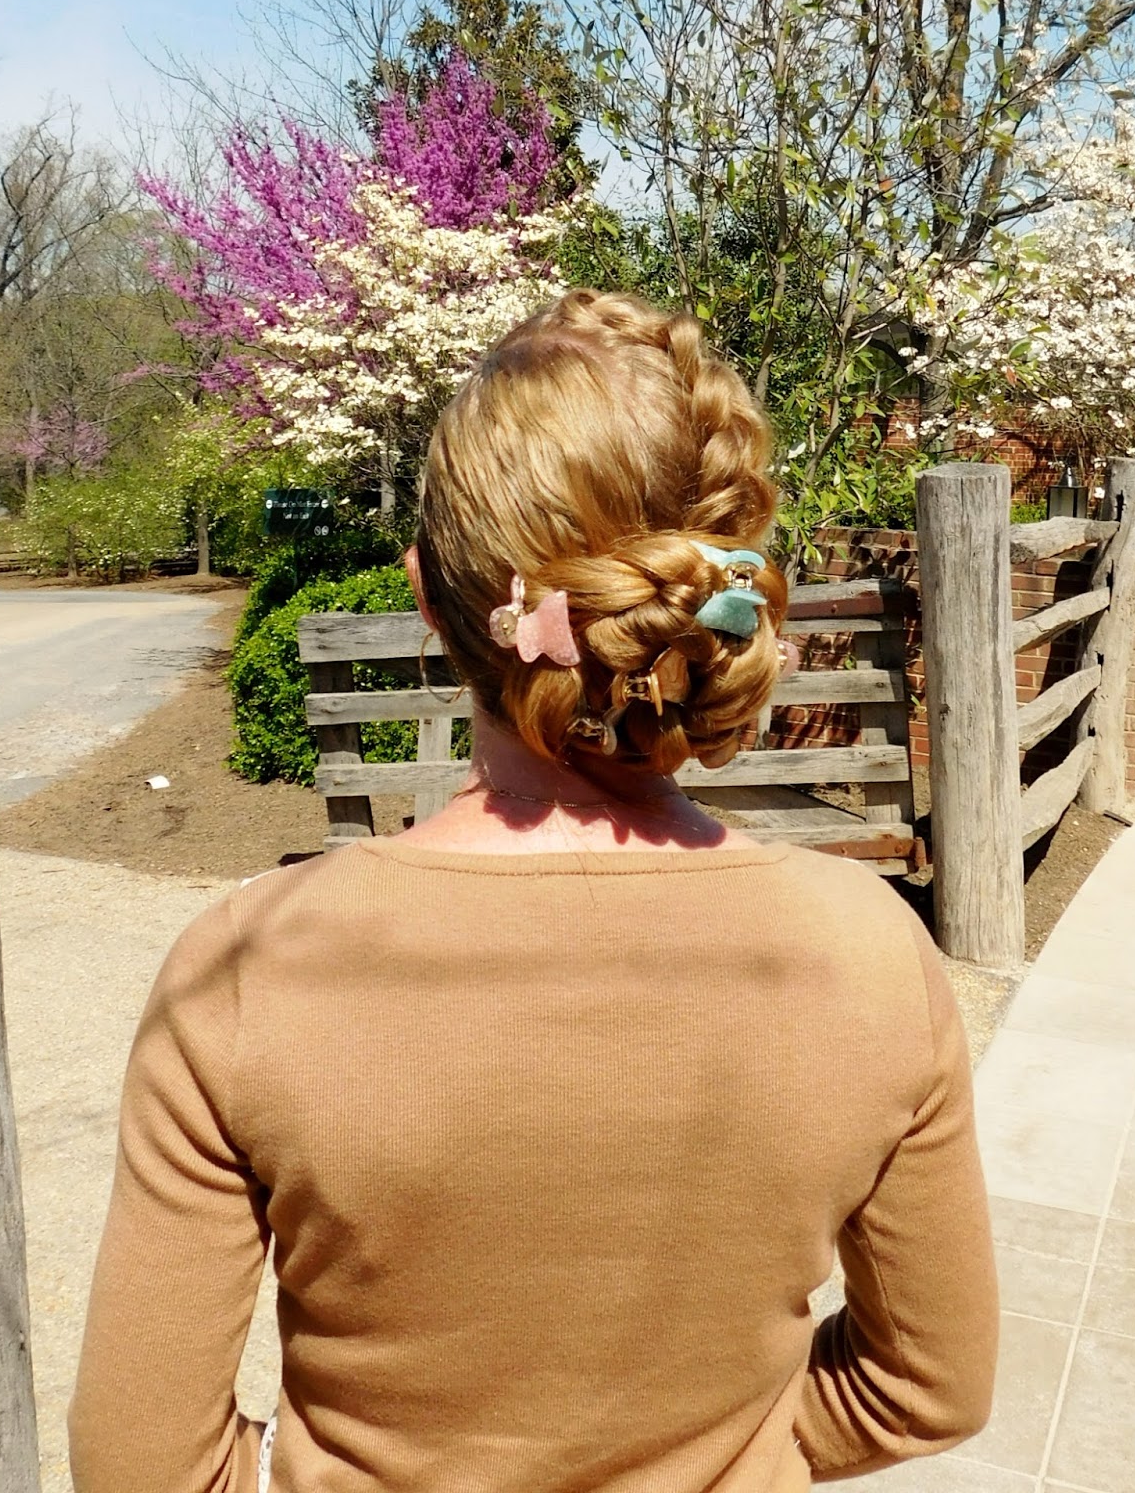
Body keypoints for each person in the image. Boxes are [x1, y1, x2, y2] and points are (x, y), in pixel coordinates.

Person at [68, 289, 998, 1493]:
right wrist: (748, 1451)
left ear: (426, 594)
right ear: (708, 604)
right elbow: (930, 1386)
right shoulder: (870, 955)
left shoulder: (246, 968)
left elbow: (139, 1464)